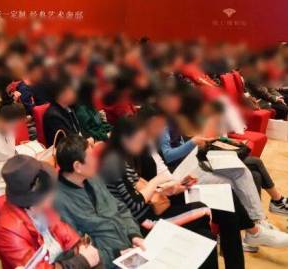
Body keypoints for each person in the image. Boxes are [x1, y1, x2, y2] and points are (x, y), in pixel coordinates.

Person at [156, 88, 288, 247]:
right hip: (181, 175)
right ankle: (250, 230)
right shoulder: (162, 125)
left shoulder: (179, 120)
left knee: (241, 171)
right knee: (231, 182)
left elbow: (188, 146)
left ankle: (259, 221)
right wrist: (194, 142)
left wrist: (204, 142)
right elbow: (169, 156)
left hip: (194, 165)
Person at [98, 117, 219, 269]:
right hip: (142, 222)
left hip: (147, 213)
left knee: (205, 236)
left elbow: (141, 188)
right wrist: (157, 181)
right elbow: (135, 204)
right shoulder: (112, 163)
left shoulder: (119, 158)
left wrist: (169, 188)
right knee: (204, 211)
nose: (142, 144)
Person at [54, 135, 145, 268]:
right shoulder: (58, 202)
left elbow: (120, 208)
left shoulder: (92, 177)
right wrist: (116, 254)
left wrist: (134, 234)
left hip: (129, 249)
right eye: (91, 157)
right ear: (77, 166)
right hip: (108, 263)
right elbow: (79, 249)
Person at [0, 155, 100, 269]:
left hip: (59, 260)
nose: (54, 194)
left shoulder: (40, 206)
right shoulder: (9, 231)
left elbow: (63, 232)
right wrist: (82, 261)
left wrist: (80, 246)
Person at [42, 77, 83, 147]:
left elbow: (78, 131)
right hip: (66, 150)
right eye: (72, 91)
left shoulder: (69, 108)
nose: (75, 94)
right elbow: (68, 142)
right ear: (62, 94)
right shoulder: (53, 116)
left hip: (77, 146)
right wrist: (86, 142)